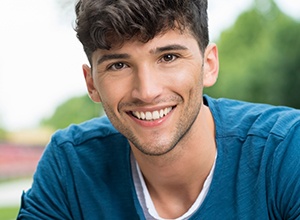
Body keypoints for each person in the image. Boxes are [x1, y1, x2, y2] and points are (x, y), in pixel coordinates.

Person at [18, 0, 300, 219]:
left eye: (168, 57)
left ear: (209, 64)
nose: (147, 91)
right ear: (92, 84)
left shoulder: (286, 150)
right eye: (119, 65)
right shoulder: (71, 165)